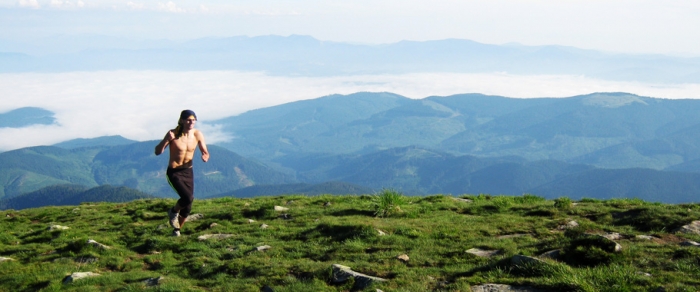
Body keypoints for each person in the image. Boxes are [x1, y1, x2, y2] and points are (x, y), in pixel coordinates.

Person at [154, 109, 210, 236]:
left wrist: (205, 155)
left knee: (188, 205)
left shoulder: (197, 134)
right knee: (187, 198)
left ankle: (177, 230)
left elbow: (205, 151)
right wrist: (165, 140)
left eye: (193, 120)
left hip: (188, 171)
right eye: (189, 120)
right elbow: (157, 151)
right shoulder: (173, 134)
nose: (191, 122)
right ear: (182, 120)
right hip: (174, 172)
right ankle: (173, 211)